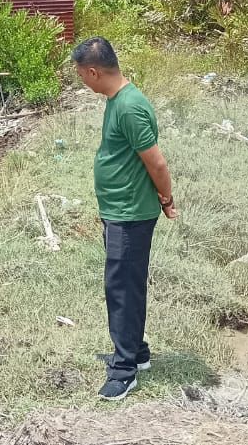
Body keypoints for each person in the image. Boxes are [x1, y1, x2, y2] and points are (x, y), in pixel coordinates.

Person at [71, 37, 179, 401]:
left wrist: (166, 198)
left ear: (93, 71)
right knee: (126, 285)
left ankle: (124, 370)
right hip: (119, 210)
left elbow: (157, 163)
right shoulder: (117, 100)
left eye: (81, 76)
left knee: (121, 289)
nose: (83, 82)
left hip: (130, 214)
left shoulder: (130, 107)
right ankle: (137, 351)